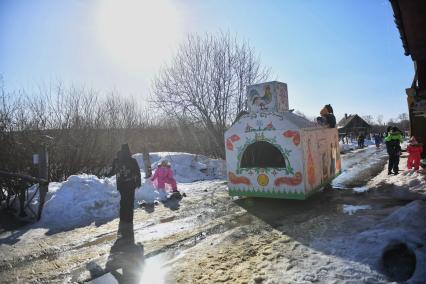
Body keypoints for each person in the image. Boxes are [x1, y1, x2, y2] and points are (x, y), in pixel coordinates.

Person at [111, 144, 141, 225]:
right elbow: (137, 172)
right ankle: (129, 219)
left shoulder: (116, 161)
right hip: (130, 183)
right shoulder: (132, 160)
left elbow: (112, 171)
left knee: (123, 200)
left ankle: (123, 217)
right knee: (130, 201)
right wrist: (138, 182)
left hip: (121, 184)